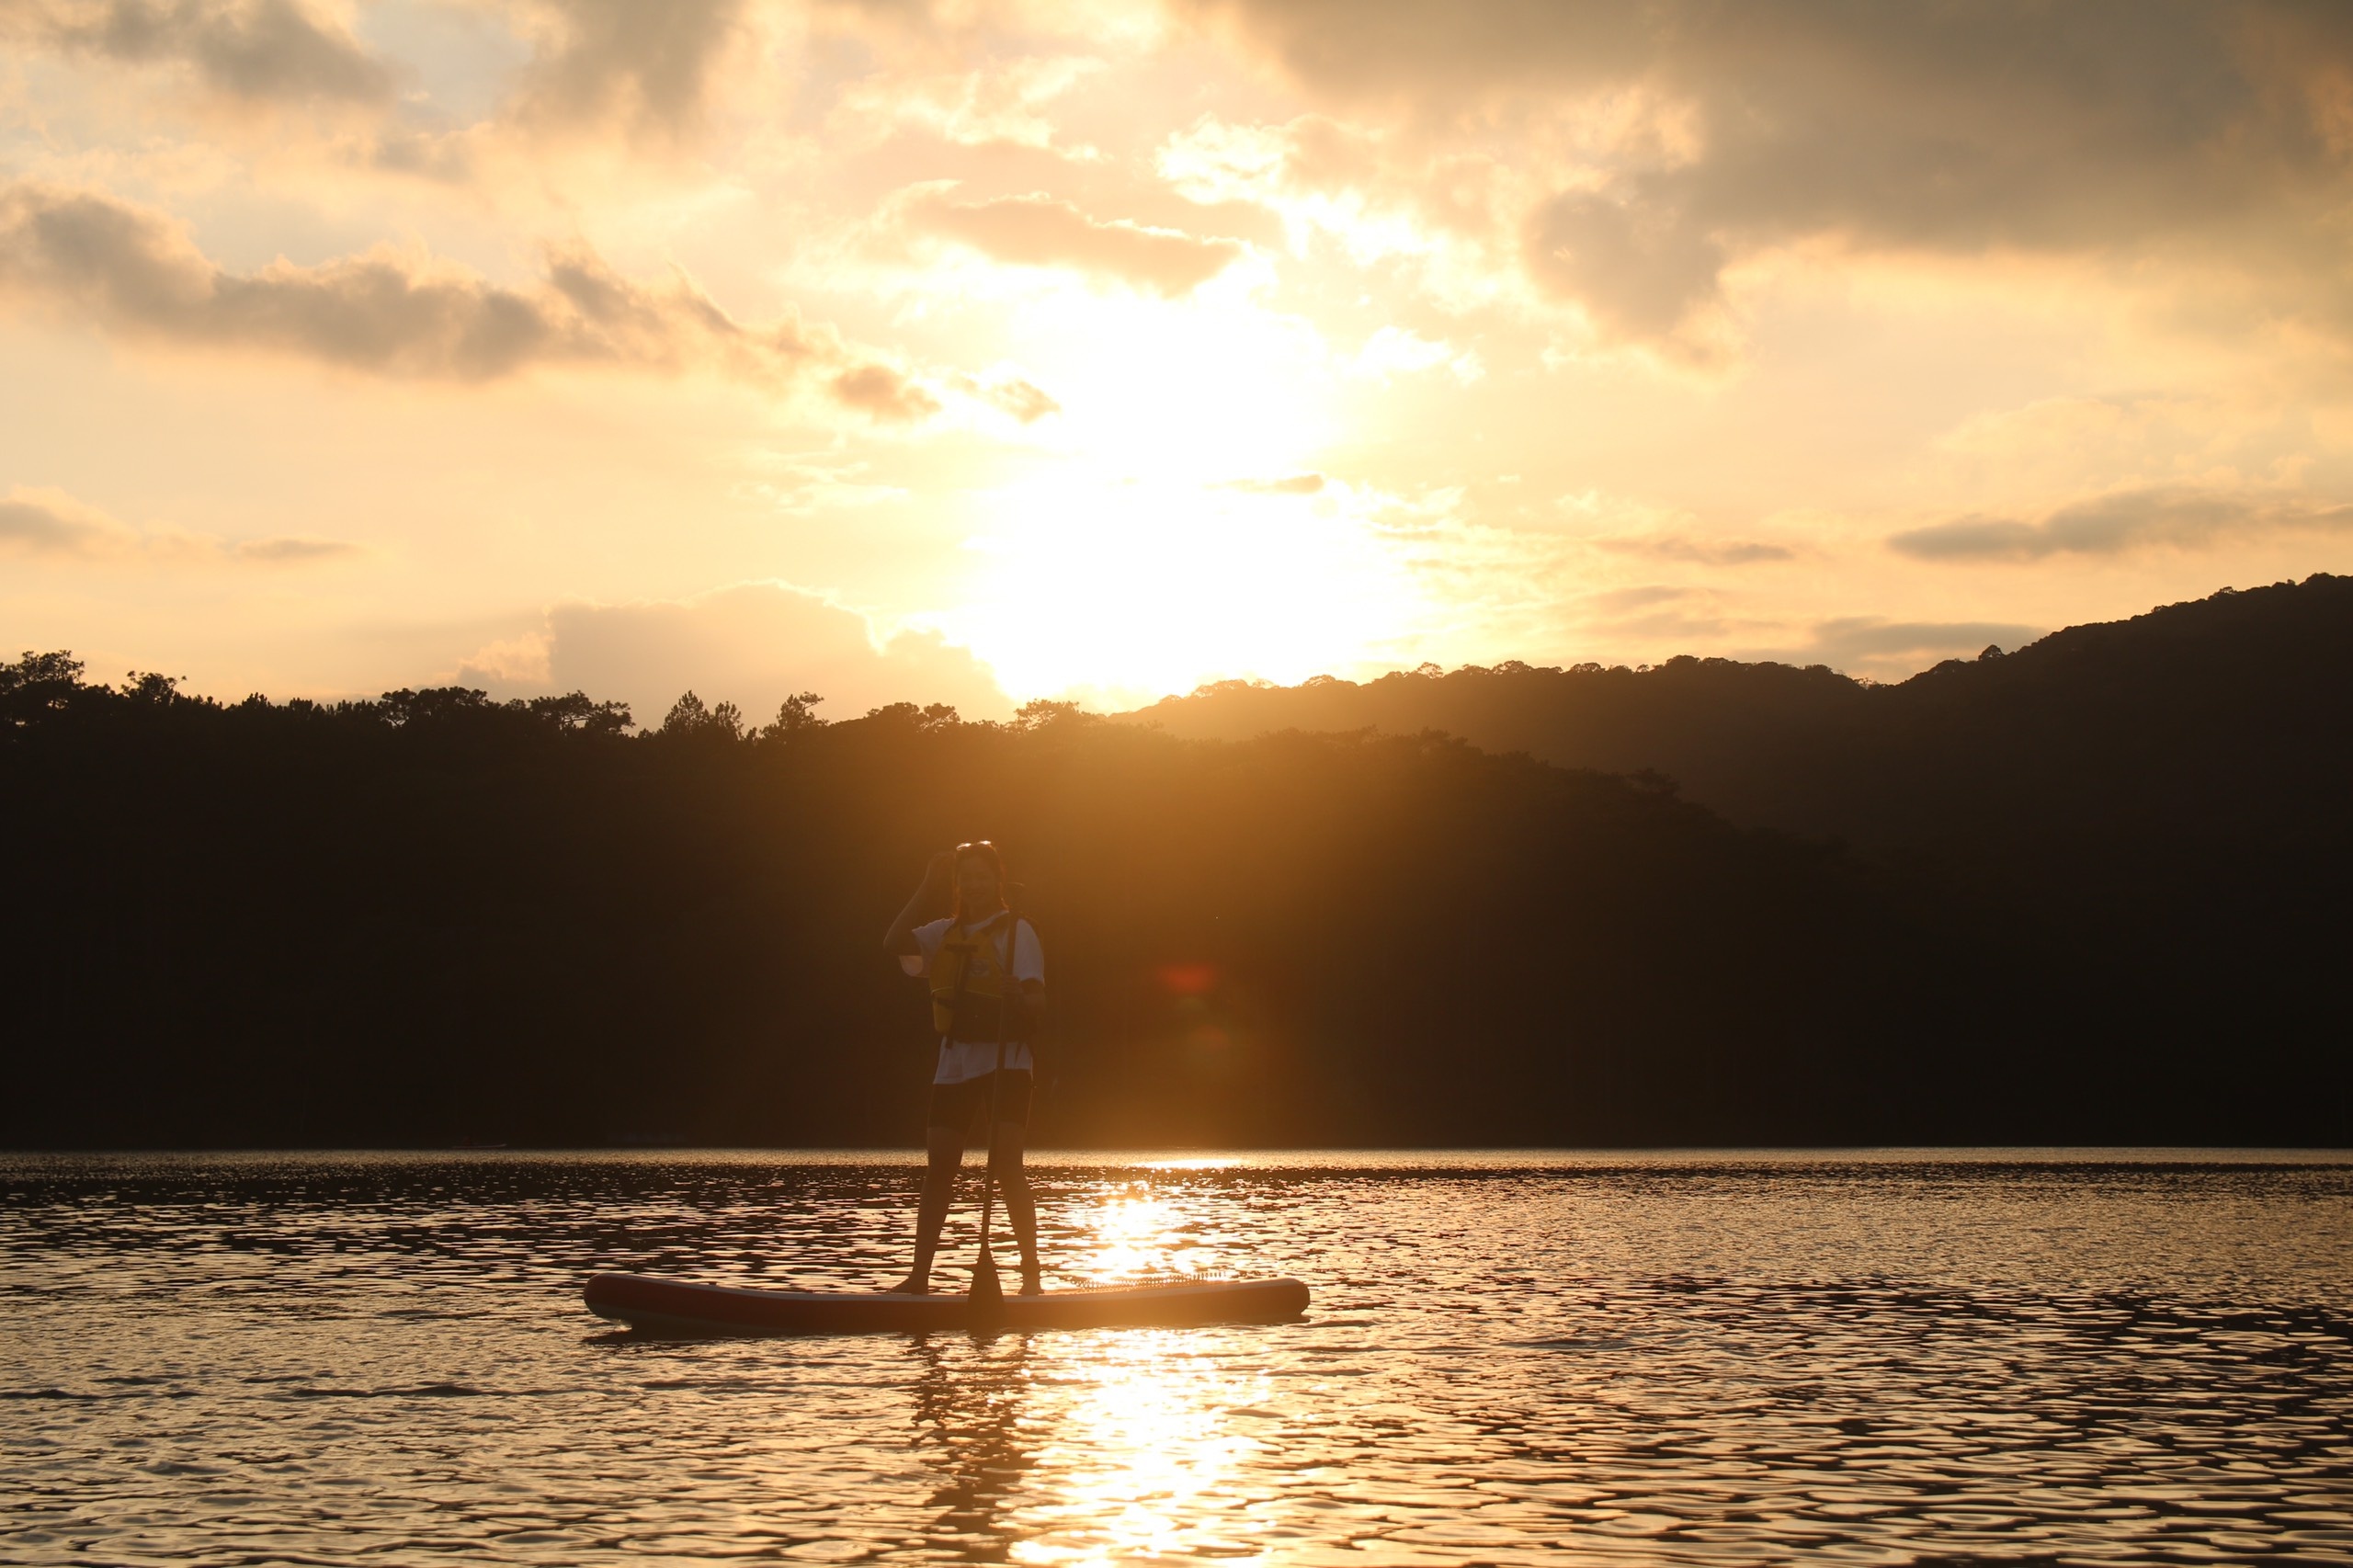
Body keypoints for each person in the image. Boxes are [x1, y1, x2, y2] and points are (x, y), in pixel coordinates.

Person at [881, 841, 1045, 1296]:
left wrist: (1018, 996)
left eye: (982, 876)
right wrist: (926, 883)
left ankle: (1031, 1278)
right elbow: (893, 942)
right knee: (940, 1168)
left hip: (1005, 1058)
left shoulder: (1018, 934)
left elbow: (1039, 1002)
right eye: (965, 877)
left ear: (997, 880)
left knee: (1007, 1164)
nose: (974, 885)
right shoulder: (941, 933)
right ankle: (919, 1278)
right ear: (958, 884)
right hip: (955, 1061)